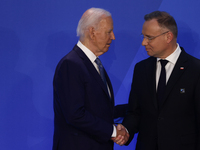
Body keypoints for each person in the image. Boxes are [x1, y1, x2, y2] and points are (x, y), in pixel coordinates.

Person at [114, 11, 200, 150]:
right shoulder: (141, 69)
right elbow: (135, 112)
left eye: (149, 37)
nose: (143, 42)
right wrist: (126, 132)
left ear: (168, 37)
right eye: (143, 37)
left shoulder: (196, 70)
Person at [52, 7, 128, 150]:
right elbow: (75, 115)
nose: (113, 37)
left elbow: (99, 111)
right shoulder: (71, 64)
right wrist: (112, 131)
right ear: (92, 32)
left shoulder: (93, 64)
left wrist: (135, 108)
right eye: (108, 32)